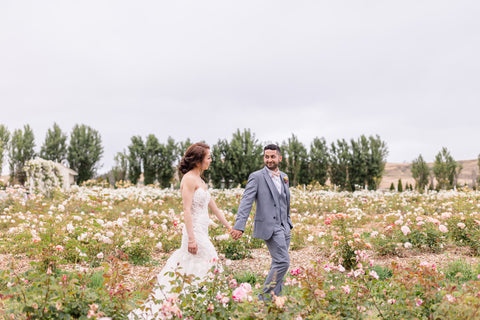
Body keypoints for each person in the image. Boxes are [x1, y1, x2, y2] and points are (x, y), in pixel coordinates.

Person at [129, 142, 232, 319]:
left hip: (202, 231)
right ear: (199, 161)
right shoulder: (189, 179)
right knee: (211, 262)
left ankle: (191, 306)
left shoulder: (200, 180)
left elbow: (213, 207)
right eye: (208, 157)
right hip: (194, 233)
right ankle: (201, 304)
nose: (211, 160)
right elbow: (186, 210)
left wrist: (229, 226)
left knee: (194, 267)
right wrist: (191, 239)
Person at [231, 144, 293, 300]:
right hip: (270, 227)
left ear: (279, 158)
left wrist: (288, 222)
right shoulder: (257, 177)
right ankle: (263, 299)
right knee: (283, 262)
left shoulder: (284, 177)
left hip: (285, 227)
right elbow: (246, 201)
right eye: (266, 156)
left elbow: (285, 201)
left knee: (277, 264)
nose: (269, 159)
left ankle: (275, 298)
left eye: (272, 156)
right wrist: (239, 225)